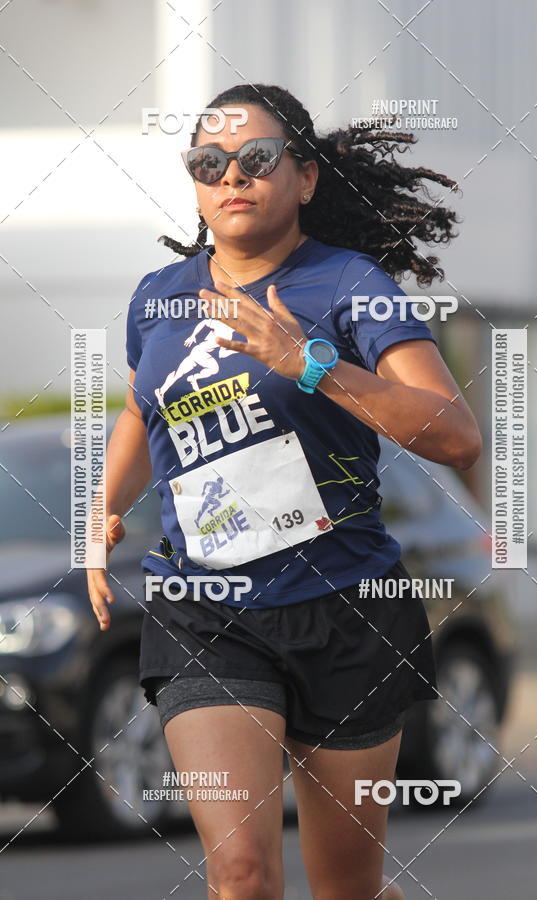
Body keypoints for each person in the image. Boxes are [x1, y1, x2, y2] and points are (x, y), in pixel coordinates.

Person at [87, 83, 482, 900]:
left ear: (303, 177)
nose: (232, 176)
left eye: (255, 159)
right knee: (241, 874)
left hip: (347, 609)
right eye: (208, 162)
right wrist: (104, 508)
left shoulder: (349, 285)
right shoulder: (158, 294)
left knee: (347, 888)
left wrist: (311, 363)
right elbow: (138, 405)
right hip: (204, 610)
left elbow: (455, 434)